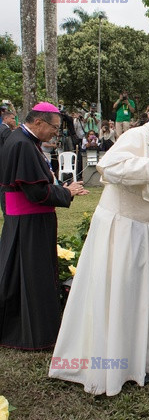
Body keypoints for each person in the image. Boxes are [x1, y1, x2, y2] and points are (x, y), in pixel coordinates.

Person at [49, 104, 149, 396]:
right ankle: (121, 365)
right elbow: (109, 167)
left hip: (146, 235)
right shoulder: (136, 137)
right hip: (124, 232)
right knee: (124, 299)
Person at [0, 102, 88, 350]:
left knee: (16, 275)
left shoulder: (21, 140)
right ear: (38, 122)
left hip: (23, 221)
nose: (55, 134)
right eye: (54, 128)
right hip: (30, 223)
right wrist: (66, 192)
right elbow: (36, 192)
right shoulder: (22, 144)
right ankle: (37, 335)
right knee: (34, 276)